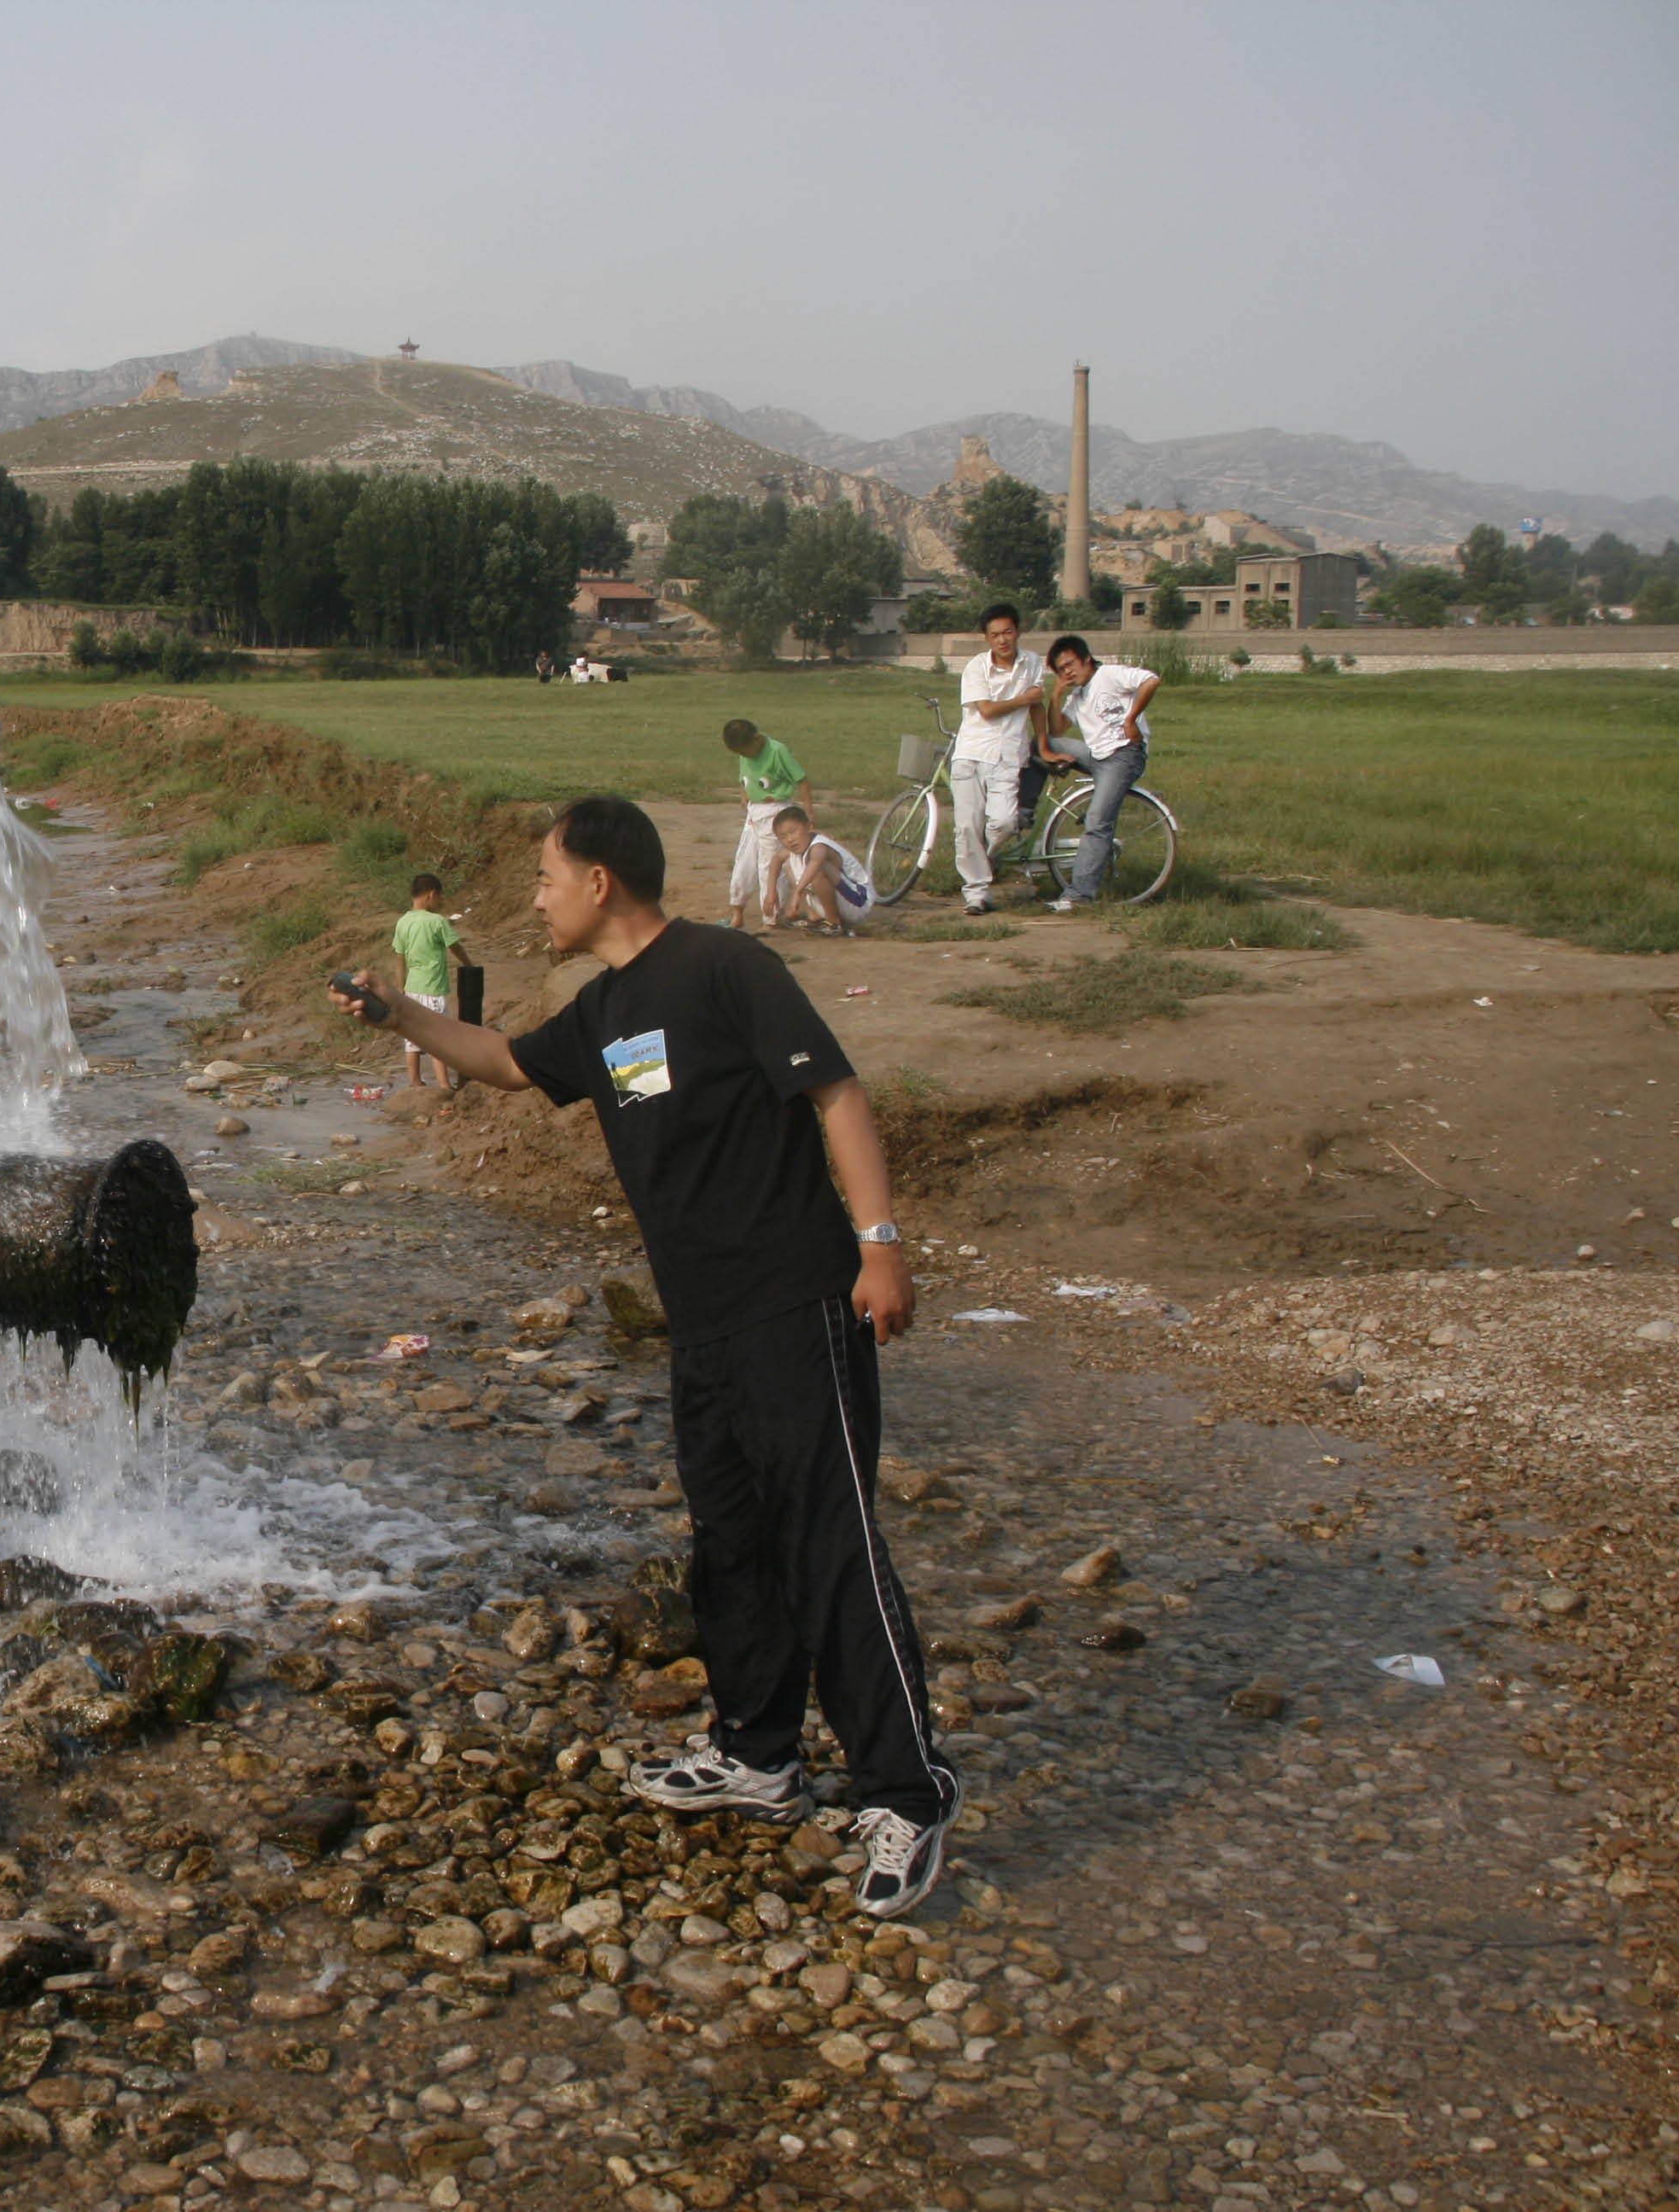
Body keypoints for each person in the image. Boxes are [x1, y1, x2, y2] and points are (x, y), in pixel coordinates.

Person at [329, 798, 962, 1918]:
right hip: (702, 1320)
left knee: (829, 1543)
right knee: (729, 1540)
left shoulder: (726, 968)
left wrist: (879, 1244)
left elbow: (837, 1091)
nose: (537, 895)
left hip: (797, 1299)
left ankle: (906, 1797)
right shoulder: (604, 1008)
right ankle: (757, 1756)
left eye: (545, 875)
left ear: (601, 880)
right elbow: (506, 1062)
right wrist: (397, 1016)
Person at [1041, 635, 1158, 912]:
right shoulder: (1077, 695)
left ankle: (1079, 896)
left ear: (1086, 659)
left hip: (1124, 755)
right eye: (1061, 669)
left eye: (1070, 664)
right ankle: (1021, 816)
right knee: (1040, 743)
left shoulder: (1109, 675)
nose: (1068, 672)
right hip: (1096, 756)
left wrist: (1131, 720)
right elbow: (1057, 730)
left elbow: (1151, 680)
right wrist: (1056, 695)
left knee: (1097, 821)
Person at [952, 604, 1046, 917]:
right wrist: (1025, 697)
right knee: (967, 827)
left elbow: (1037, 708)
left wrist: (1043, 745)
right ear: (986, 638)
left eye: (1007, 632)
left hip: (1008, 756)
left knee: (1003, 822)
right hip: (971, 753)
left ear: (1017, 631)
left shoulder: (1032, 663)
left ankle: (986, 857)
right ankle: (977, 894)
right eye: (995, 635)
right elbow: (987, 710)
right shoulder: (976, 668)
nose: (1002, 640)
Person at [720, 719, 812, 933]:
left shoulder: (777, 751)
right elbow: (744, 780)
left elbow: (802, 780)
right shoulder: (745, 753)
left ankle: (770, 919)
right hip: (754, 812)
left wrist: (809, 811)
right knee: (743, 862)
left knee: (769, 866)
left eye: (746, 751)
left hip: (775, 813)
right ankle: (738, 911)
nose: (744, 756)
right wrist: (745, 796)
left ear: (756, 739)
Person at [388, 872, 469, 1089]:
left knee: (412, 1036)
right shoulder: (438, 921)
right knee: (437, 1035)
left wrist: (400, 987)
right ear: (431, 895)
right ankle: (443, 1083)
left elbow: (400, 957)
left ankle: (415, 1081)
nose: (440, 901)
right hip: (433, 987)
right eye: (440, 897)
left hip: (411, 987)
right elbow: (455, 947)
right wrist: (468, 964)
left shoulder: (403, 922)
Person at [770, 805, 872, 936]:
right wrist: (771, 893)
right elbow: (776, 859)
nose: (789, 839)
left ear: (808, 827)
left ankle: (834, 923)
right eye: (783, 837)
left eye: (793, 831)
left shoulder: (819, 845)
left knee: (817, 870)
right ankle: (815, 915)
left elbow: (817, 862)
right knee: (790, 863)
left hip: (857, 902)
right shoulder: (796, 847)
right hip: (840, 900)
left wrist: (797, 893)